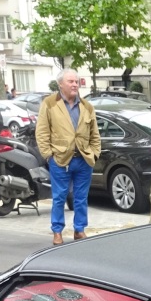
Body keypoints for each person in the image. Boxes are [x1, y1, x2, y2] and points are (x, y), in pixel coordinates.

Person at [35, 68, 101, 245]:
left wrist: (94, 153)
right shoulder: (49, 104)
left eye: (76, 81)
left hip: (83, 159)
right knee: (59, 197)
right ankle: (57, 231)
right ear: (60, 84)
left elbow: (95, 134)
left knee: (81, 197)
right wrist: (49, 156)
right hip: (60, 160)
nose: (74, 85)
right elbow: (41, 132)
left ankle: (79, 230)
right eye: (70, 81)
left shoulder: (86, 106)